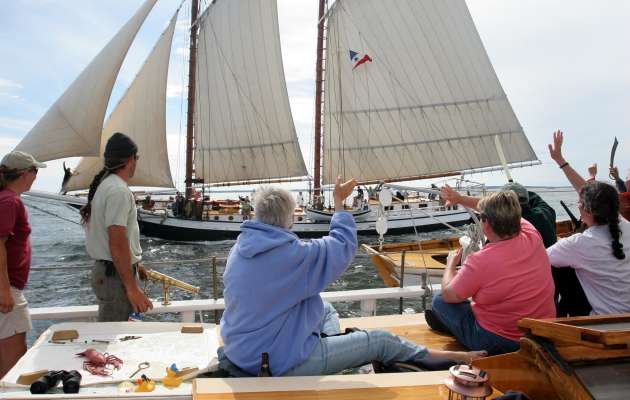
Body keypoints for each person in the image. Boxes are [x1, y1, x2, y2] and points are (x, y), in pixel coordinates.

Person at [219, 177, 486, 377]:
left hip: (242, 350)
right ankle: (448, 358)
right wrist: (339, 203)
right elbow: (341, 245)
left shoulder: (240, 249)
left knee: (325, 309)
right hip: (276, 363)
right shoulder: (293, 255)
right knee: (380, 341)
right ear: (288, 219)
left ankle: (331, 351)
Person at [427, 188, 556, 355]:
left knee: (439, 301)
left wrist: (450, 264)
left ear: (485, 222)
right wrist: (459, 198)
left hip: (501, 342)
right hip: (541, 334)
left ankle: (457, 329)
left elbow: (448, 295)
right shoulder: (531, 233)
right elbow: (490, 207)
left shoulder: (480, 260)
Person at [546, 130, 630, 315]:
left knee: (561, 270)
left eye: (580, 202)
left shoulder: (579, 243)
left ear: (587, 211)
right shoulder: (625, 225)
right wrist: (561, 161)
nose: (578, 204)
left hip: (606, 324)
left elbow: (540, 258)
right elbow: (587, 191)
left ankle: (558, 318)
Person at [81, 132, 153, 322]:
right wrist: (132, 288)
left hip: (110, 273)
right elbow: (117, 241)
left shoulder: (106, 186)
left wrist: (136, 264)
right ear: (130, 160)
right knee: (115, 334)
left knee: (116, 330)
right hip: (115, 278)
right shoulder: (119, 191)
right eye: (137, 158)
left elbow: (114, 239)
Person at [0, 151, 45, 378]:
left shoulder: (5, 199)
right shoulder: (10, 201)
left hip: (7, 287)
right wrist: (4, 290)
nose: (36, 176)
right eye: (35, 171)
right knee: (14, 362)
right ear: (25, 173)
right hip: (7, 289)